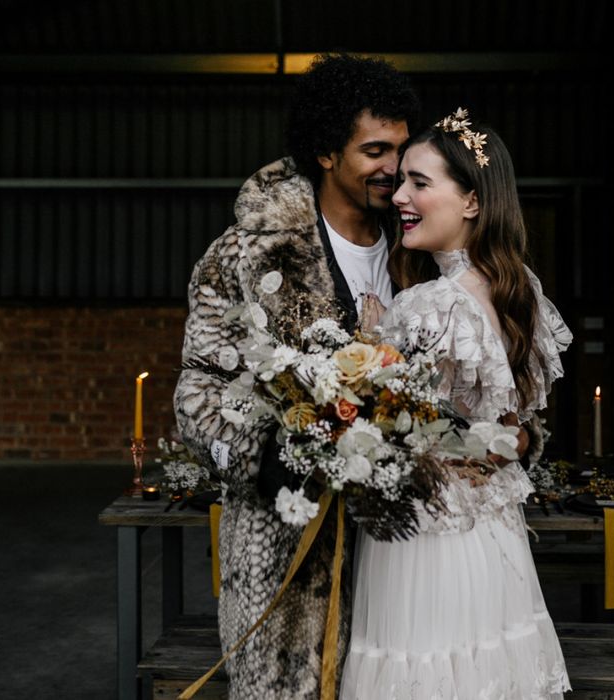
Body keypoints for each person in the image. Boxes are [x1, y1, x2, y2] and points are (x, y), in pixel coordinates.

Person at [173, 54, 419, 699]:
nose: (391, 168)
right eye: (374, 149)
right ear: (325, 152)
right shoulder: (247, 254)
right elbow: (198, 386)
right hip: (287, 541)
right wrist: (263, 455)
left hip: (406, 543)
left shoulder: (424, 247)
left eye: (400, 149)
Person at [340, 109, 573, 699]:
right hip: (494, 540)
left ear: (472, 201)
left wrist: (368, 350)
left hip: (426, 537)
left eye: (421, 182)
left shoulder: (429, 305)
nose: (399, 197)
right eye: (400, 182)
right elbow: (510, 433)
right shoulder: (520, 288)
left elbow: (400, 427)